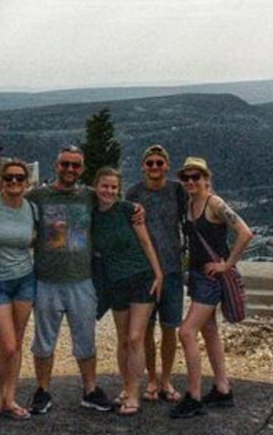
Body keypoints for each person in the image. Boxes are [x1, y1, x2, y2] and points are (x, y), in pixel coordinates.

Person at [25, 146, 121, 415]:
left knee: (85, 338)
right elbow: (12, 204)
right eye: (65, 164)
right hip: (46, 280)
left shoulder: (89, 196)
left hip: (81, 280)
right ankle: (42, 390)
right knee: (44, 341)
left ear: (82, 169)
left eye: (75, 165)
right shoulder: (39, 196)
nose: (70, 170)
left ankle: (90, 390)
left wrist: (136, 209)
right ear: (56, 165)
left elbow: (114, 201)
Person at [171, 157, 253, 419]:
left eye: (197, 177)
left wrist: (227, 264)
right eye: (187, 178)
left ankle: (193, 397)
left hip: (210, 278)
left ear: (206, 178)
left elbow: (245, 232)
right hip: (197, 275)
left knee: (185, 332)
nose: (191, 182)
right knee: (209, 331)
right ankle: (222, 387)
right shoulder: (190, 204)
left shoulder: (213, 203)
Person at [92, 167, 164, 417]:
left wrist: (158, 273)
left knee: (135, 337)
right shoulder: (91, 213)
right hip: (115, 282)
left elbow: (145, 241)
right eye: (105, 186)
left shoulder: (128, 210)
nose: (109, 191)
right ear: (96, 187)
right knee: (123, 338)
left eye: (113, 187)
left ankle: (134, 393)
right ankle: (126, 386)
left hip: (141, 277)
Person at [0, 160, 38, 422]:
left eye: (19, 178)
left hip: (24, 279)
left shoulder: (32, 209)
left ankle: (10, 397)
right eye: (9, 178)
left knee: (18, 342)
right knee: (8, 345)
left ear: (27, 182)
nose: (14, 182)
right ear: (2, 180)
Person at [125, 144, 187, 403]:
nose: (154, 167)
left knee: (170, 328)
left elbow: (190, 218)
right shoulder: (134, 193)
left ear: (166, 166)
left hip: (172, 269)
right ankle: (151, 378)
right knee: (147, 330)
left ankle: (166, 379)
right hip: (144, 271)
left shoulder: (177, 191)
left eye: (158, 163)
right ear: (143, 166)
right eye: (150, 163)